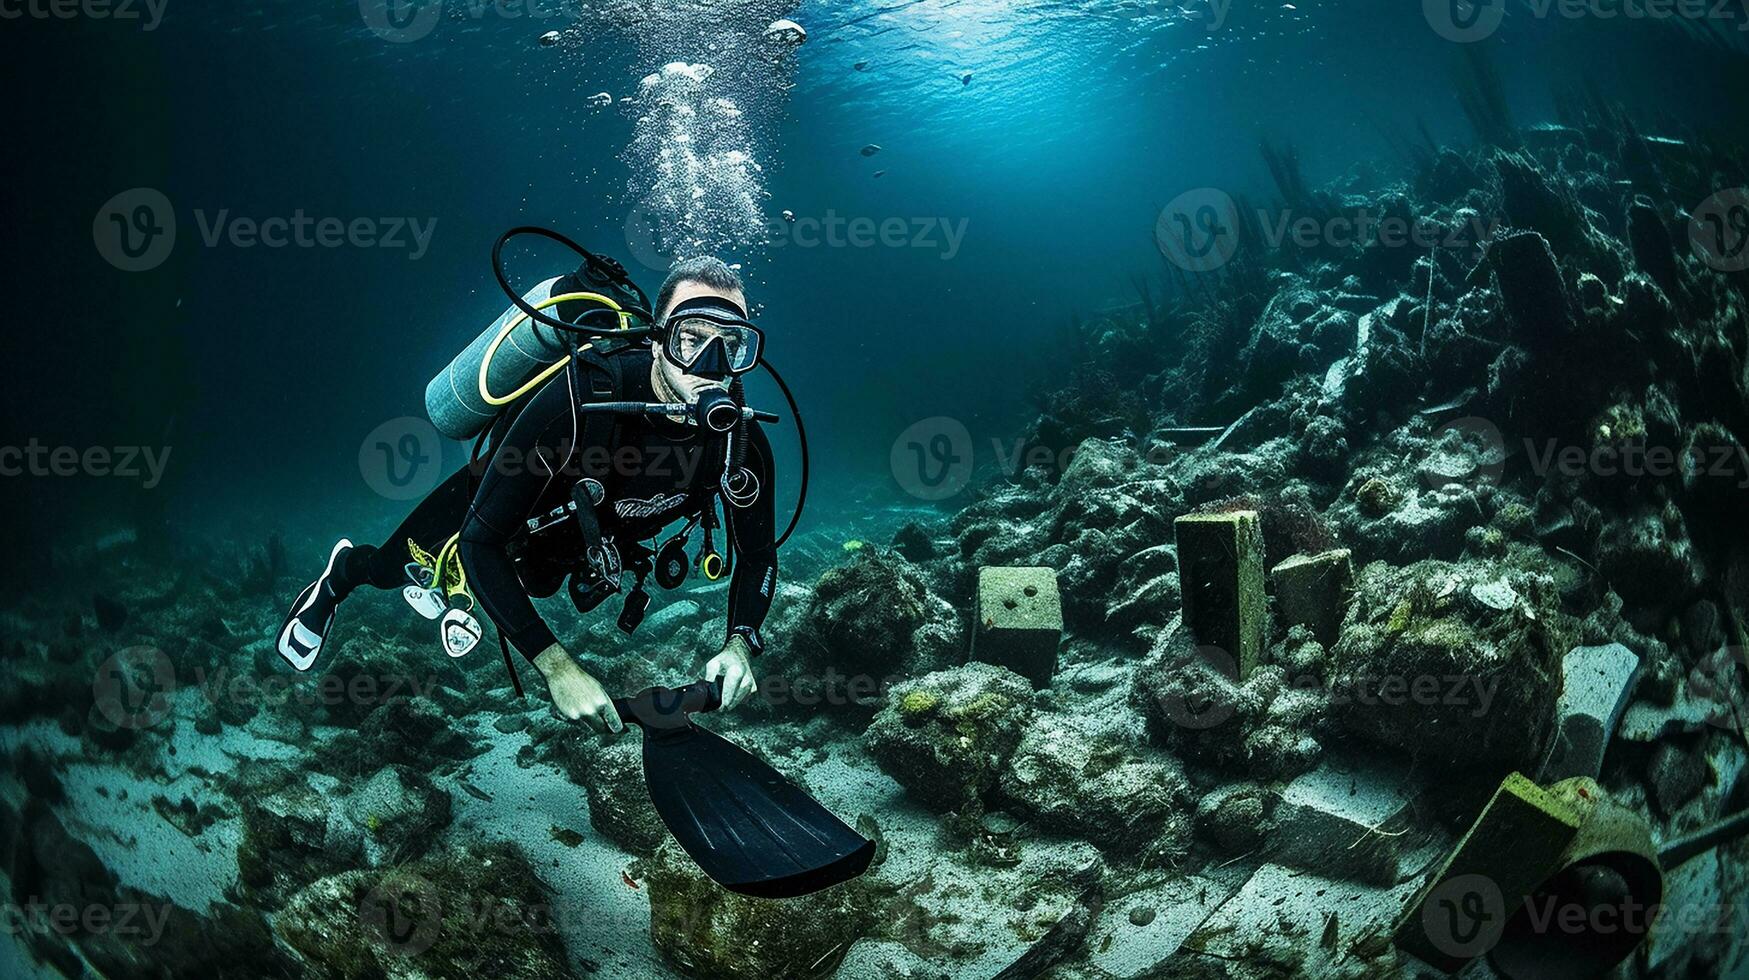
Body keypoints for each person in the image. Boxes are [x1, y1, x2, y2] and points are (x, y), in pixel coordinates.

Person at [276, 256, 774, 733]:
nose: (710, 365)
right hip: (495, 507)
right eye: (691, 338)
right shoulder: (582, 402)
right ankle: (340, 577)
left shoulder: (739, 446)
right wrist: (557, 668)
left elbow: (757, 555)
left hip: (579, 538)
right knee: (390, 569)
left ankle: (464, 590)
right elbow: (480, 541)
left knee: (536, 582)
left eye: (731, 345)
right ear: (658, 339)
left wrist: (741, 644)